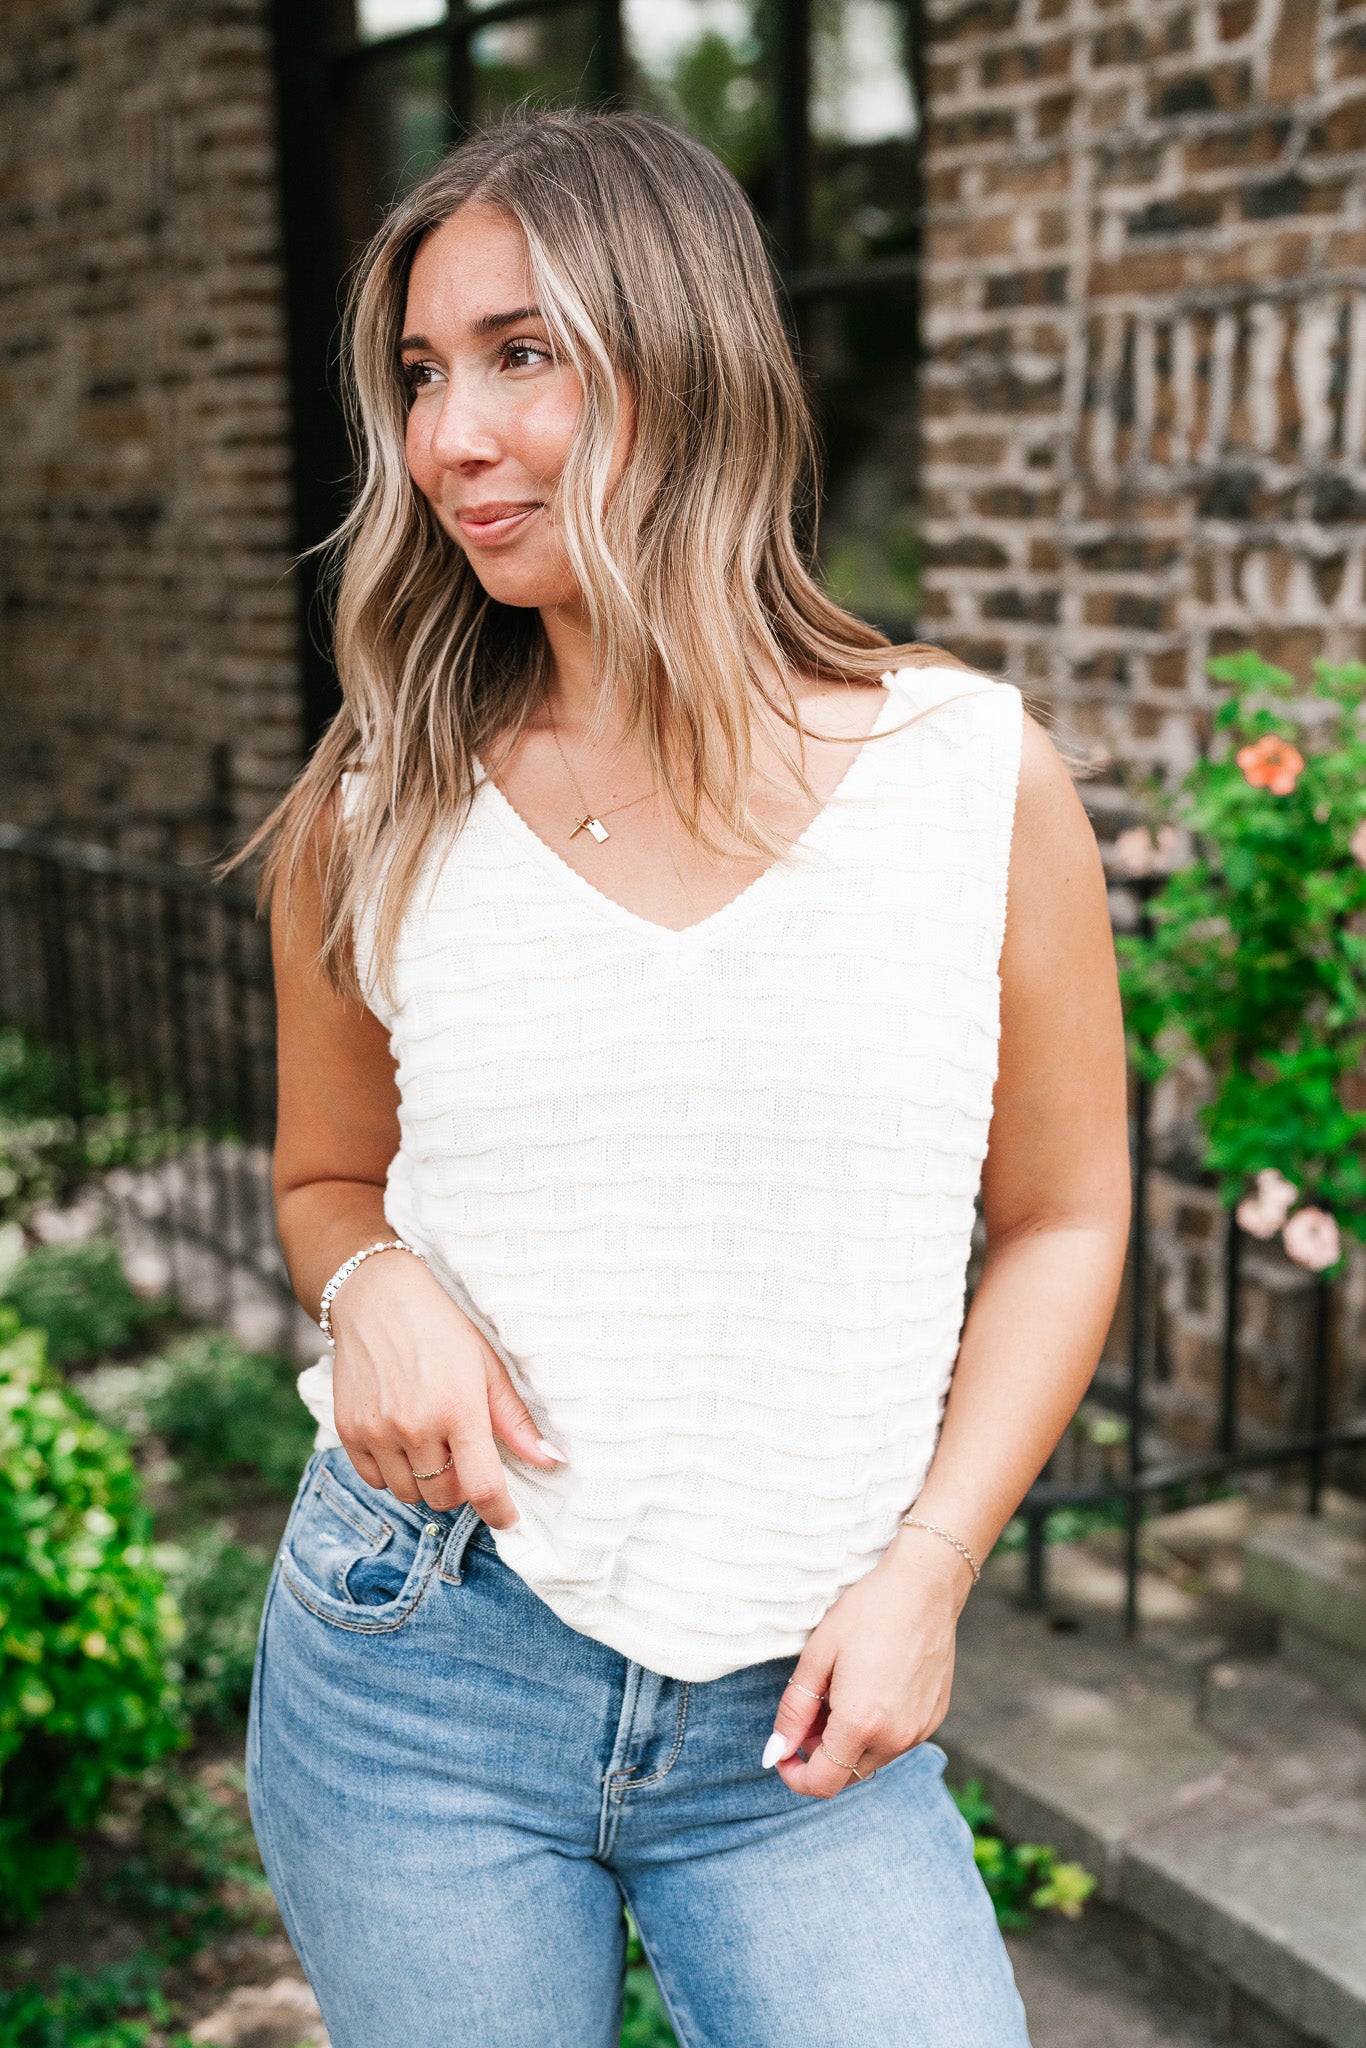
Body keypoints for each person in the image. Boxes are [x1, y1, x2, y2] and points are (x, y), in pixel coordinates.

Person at [237, 108, 1130, 2048]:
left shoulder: (968, 781)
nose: (446, 439)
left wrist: (928, 1565)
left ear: (687, 360)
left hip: (800, 1718)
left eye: (518, 353)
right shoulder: (375, 808)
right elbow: (324, 1178)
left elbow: (1063, 1217)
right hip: (420, 1674)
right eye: (417, 373)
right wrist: (365, 1279)